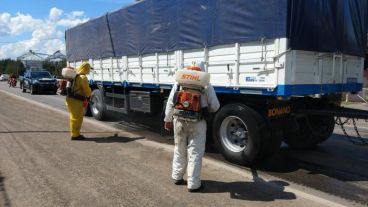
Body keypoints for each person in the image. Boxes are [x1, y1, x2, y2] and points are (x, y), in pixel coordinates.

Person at [164, 64, 220, 192]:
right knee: (195, 153)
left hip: (179, 121)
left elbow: (171, 103)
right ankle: (194, 184)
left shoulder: (179, 83)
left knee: (179, 149)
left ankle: (177, 177)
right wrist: (206, 109)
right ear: (200, 72)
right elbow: (215, 106)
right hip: (198, 123)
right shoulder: (206, 84)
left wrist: (167, 120)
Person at [65, 62, 92, 140]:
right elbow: (87, 91)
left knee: (74, 117)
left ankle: (75, 133)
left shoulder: (75, 75)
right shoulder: (83, 77)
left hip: (70, 99)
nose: (89, 71)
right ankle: (75, 135)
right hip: (76, 101)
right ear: (86, 69)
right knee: (77, 118)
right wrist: (89, 94)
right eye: (89, 69)